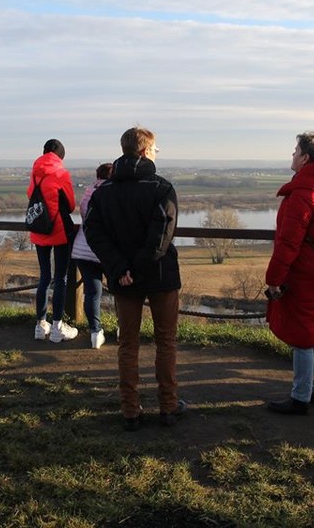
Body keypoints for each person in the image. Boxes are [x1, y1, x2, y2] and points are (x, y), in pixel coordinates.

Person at [84, 125, 186, 431]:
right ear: (144, 151)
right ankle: (168, 406)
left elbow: (94, 233)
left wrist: (120, 268)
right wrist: (137, 268)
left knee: (127, 345)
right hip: (160, 276)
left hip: (123, 280)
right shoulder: (161, 188)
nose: (156, 153)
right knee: (165, 341)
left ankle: (130, 410)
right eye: (155, 149)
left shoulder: (104, 192)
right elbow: (161, 236)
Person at [264, 132, 314, 415]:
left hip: (304, 276)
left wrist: (274, 279)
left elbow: (287, 244)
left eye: (295, 151)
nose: (292, 155)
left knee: (303, 338)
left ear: (306, 157)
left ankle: (300, 397)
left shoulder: (302, 195)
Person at [29, 139, 78, 343]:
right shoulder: (61, 173)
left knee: (44, 276)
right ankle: (57, 327)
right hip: (58, 230)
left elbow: (31, 194)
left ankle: (40, 325)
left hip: (39, 228)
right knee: (61, 278)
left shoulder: (35, 171)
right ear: (61, 155)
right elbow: (71, 204)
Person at [71, 162, 114, 350]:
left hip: (83, 248)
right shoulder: (114, 193)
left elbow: (83, 215)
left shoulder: (89, 191)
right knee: (120, 293)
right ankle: (124, 329)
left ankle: (95, 332)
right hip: (108, 251)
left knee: (92, 293)